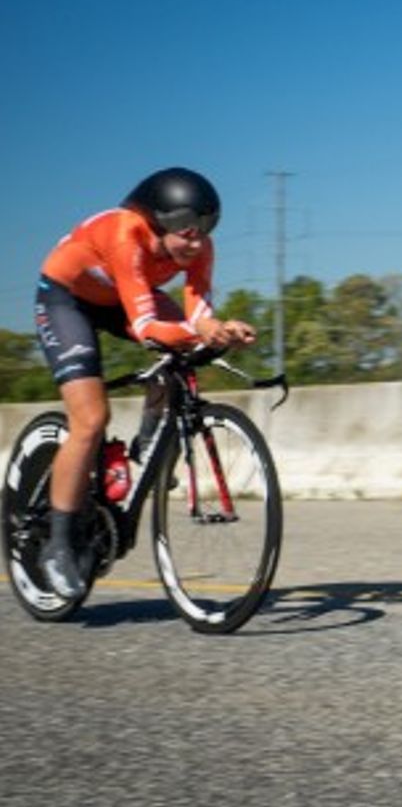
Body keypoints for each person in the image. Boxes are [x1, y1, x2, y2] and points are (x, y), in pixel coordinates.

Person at [33, 167, 257, 599]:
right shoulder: (126, 235)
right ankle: (58, 546)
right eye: (189, 231)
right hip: (66, 298)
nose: (199, 242)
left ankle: (149, 444)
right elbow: (147, 326)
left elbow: (197, 315)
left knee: (184, 358)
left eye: (207, 230)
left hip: (118, 296)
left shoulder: (199, 249)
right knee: (92, 418)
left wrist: (218, 329)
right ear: (160, 222)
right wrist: (202, 331)